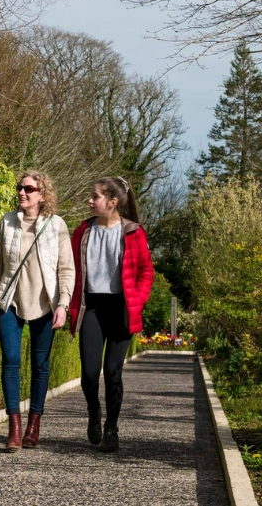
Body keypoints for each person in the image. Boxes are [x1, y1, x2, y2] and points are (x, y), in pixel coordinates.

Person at [0, 170, 76, 452]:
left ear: (42, 195)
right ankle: (14, 426)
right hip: (10, 301)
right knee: (10, 359)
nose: (22, 193)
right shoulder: (7, 223)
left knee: (40, 365)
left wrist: (63, 303)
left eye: (29, 189)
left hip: (45, 303)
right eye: (20, 188)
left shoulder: (57, 225)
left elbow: (66, 269)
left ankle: (34, 424)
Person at [68, 176, 154, 452]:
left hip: (122, 309)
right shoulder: (83, 231)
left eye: (95, 197)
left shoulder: (133, 232)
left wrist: (137, 302)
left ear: (112, 202)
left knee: (113, 371)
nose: (89, 201)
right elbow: (69, 269)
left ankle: (112, 429)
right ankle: (94, 411)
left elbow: (145, 272)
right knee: (90, 374)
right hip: (92, 307)